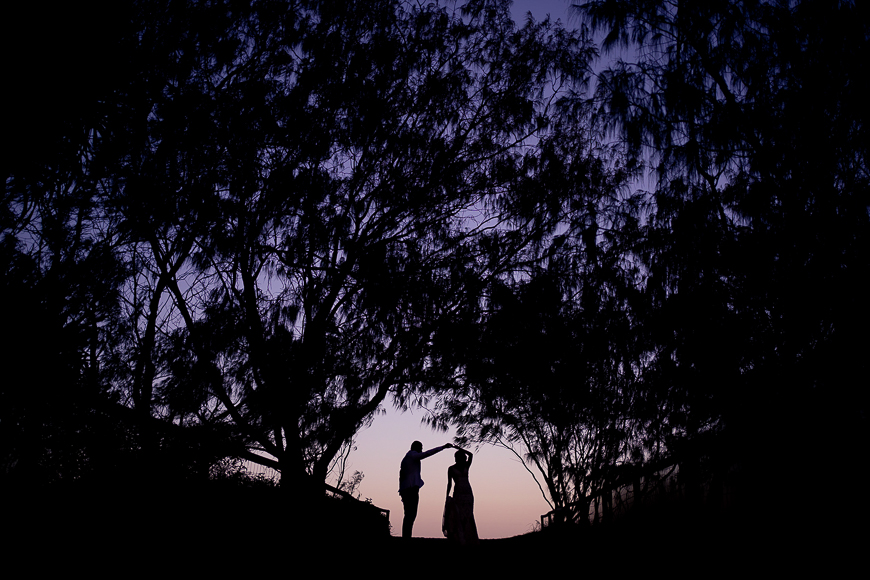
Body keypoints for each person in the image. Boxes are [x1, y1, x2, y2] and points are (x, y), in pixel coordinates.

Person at [398, 441, 453, 538]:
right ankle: (406, 536)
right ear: (416, 447)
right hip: (410, 489)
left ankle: (406, 536)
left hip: (407, 488)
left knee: (409, 514)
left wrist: (401, 490)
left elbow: (401, 475)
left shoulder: (407, 458)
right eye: (421, 447)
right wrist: (442, 447)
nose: (422, 450)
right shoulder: (412, 455)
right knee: (410, 514)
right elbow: (427, 453)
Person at [443, 448, 479, 546]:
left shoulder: (466, 465)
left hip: (468, 492)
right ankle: (460, 537)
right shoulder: (451, 468)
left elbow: (471, 455)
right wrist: (447, 495)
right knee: (459, 515)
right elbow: (449, 483)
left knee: (468, 515)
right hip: (458, 492)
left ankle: (469, 537)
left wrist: (459, 448)